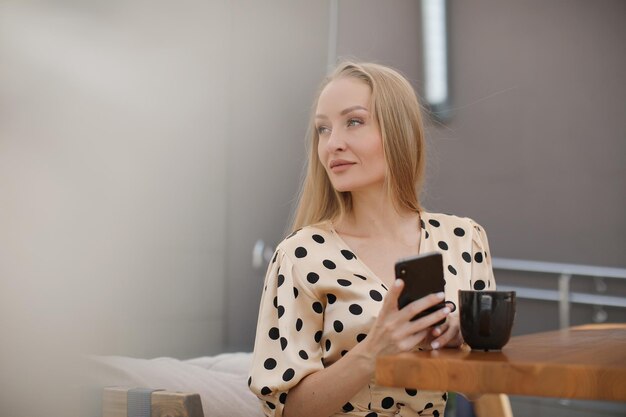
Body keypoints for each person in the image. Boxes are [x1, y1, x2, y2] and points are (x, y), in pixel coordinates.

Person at [248, 62, 495, 417]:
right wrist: (373, 353)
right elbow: (285, 411)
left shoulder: (463, 239)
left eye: (353, 122)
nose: (333, 144)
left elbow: (483, 390)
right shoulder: (300, 255)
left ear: (399, 131)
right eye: (322, 129)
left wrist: (459, 345)